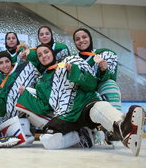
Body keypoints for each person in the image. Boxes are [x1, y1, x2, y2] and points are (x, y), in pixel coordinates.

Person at [15, 44, 144, 156]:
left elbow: (91, 84)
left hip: (84, 105)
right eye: (40, 55)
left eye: (46, 52)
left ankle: (123, 126)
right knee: (48, 141)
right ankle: (84, 136)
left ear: (52, 53)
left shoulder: (71, 62)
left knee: (97, 108)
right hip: (65, 115)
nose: (44, 56)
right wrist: (24, 95)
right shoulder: (41, 82)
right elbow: (44, 107)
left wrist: (74, 71)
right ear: (38, 59)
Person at [0, 51, 40, 145]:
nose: (4, 65)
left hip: (29, 111)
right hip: (7, 115)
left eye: (7, 61)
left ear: (11, 61)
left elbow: (39, 77)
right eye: (1, 63)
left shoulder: (24, 67)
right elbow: (0, 109)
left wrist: (29, 53)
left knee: (26, 140)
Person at [73, 28, 121, 111]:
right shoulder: (73, 61)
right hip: (83, 96)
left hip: (101, 91)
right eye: (77, 39)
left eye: (84, 37)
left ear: (90, 39)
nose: (81, 40)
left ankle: (117, 119)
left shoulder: (104, 54)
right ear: (75, 43)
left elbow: (111, 78)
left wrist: (103, 71)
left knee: (109, 84)